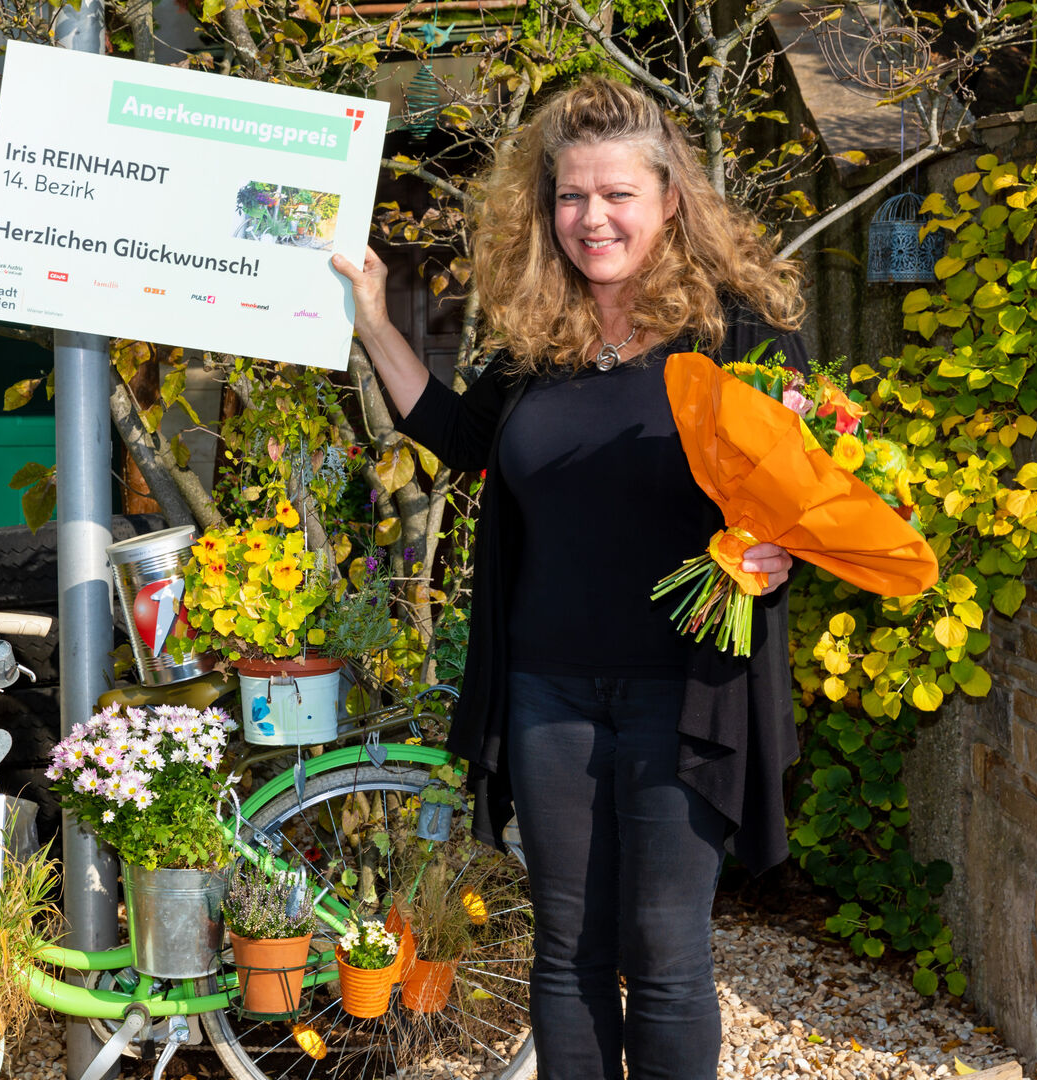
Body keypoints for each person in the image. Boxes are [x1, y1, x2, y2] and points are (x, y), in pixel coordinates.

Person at [332, 76, 809, 1080]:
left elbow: (801, 493)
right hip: (546, 687)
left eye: (617, 195)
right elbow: (460, 440)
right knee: (566, 948)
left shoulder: (740, 337)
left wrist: (777, 551)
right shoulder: (538, 343)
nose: (592, 218)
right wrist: (373, 317)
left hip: (685, 692)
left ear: (669, 197)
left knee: (665, 954)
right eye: (569, 196)